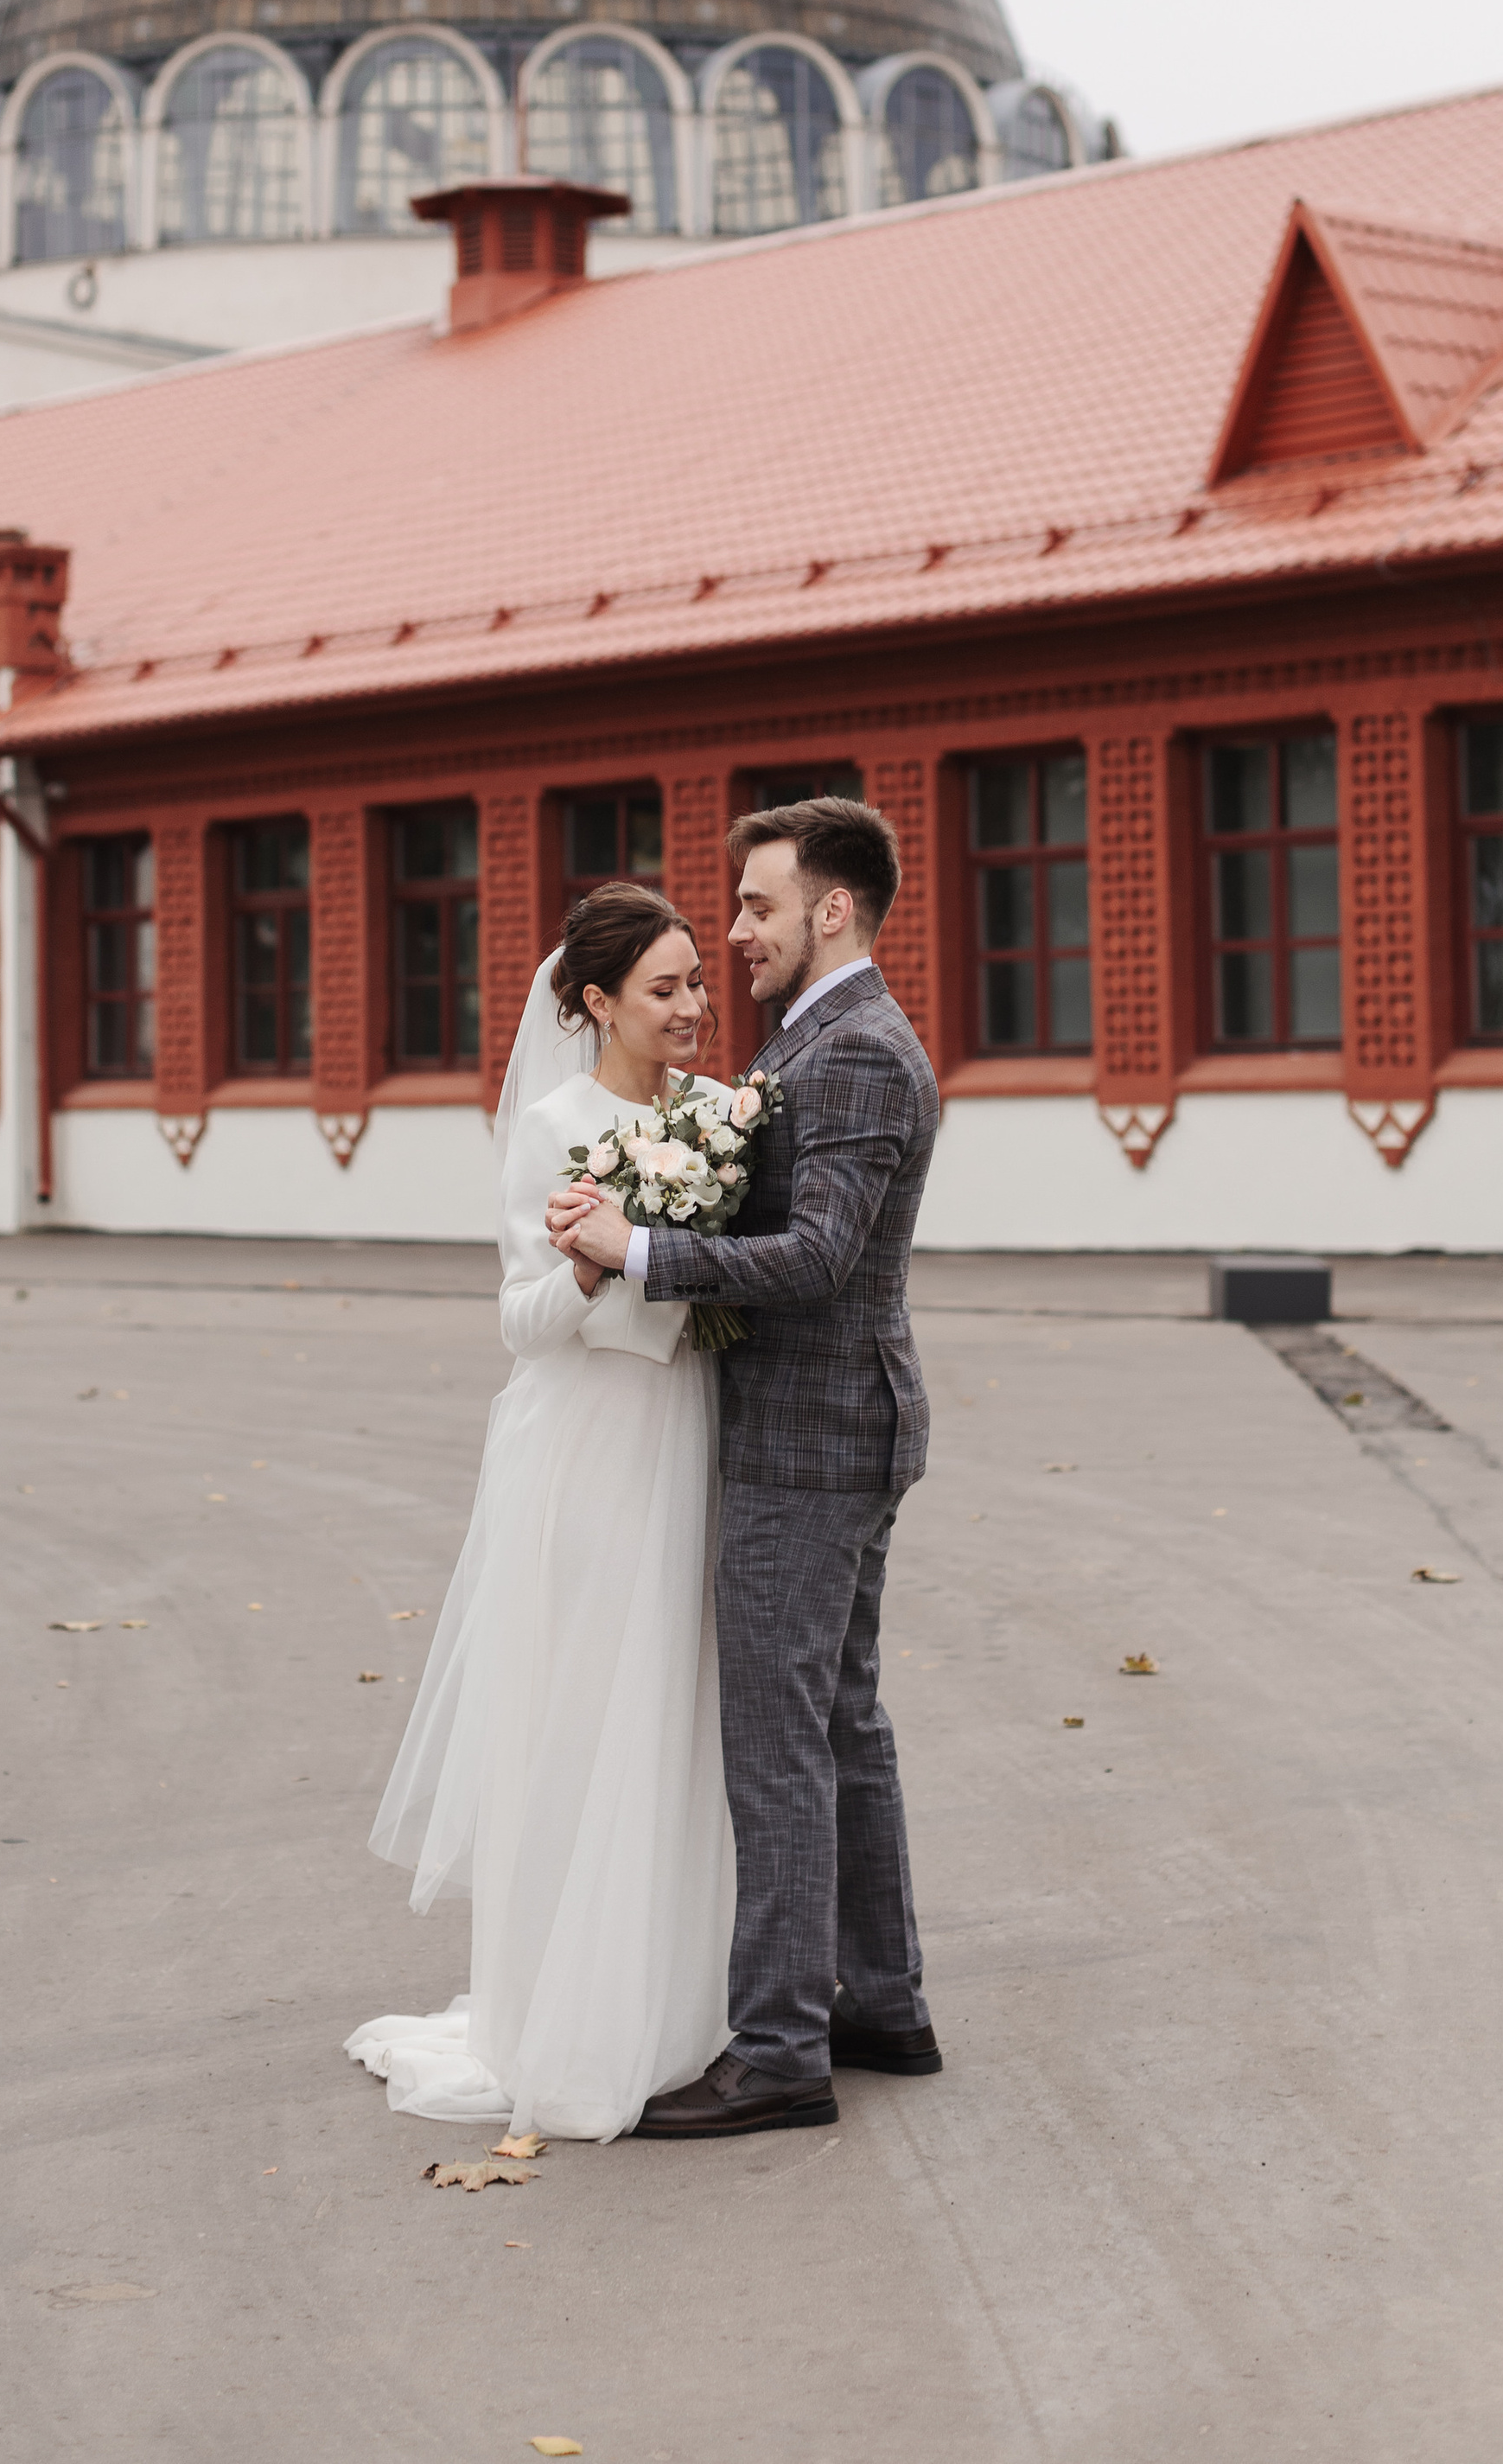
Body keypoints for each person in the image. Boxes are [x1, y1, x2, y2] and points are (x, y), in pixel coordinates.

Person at [549, 795, 943, 2140]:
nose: (736, 931)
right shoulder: (825, 1040)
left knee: (781, 1744)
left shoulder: (858, 1055)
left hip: (810, 1441)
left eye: (759, 905)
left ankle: (780, 2049)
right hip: (838, 1432)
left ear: (833, 909)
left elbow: (818, 1260)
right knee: (840, 1723)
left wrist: (634, 1248)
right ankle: (880, 2001)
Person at [343, 883, 736, 2141]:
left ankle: (675, 2005)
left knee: (675, 1709)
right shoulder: (557, 1124)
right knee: (572, 1714)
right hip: (581, 1451)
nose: (692, 1006)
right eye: (665, 988)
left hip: (686, 1433)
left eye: (695, 982)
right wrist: (584, 1265)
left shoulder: (723, 1120)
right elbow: (518, 1321)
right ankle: (553, 2013)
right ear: (595, 1002)